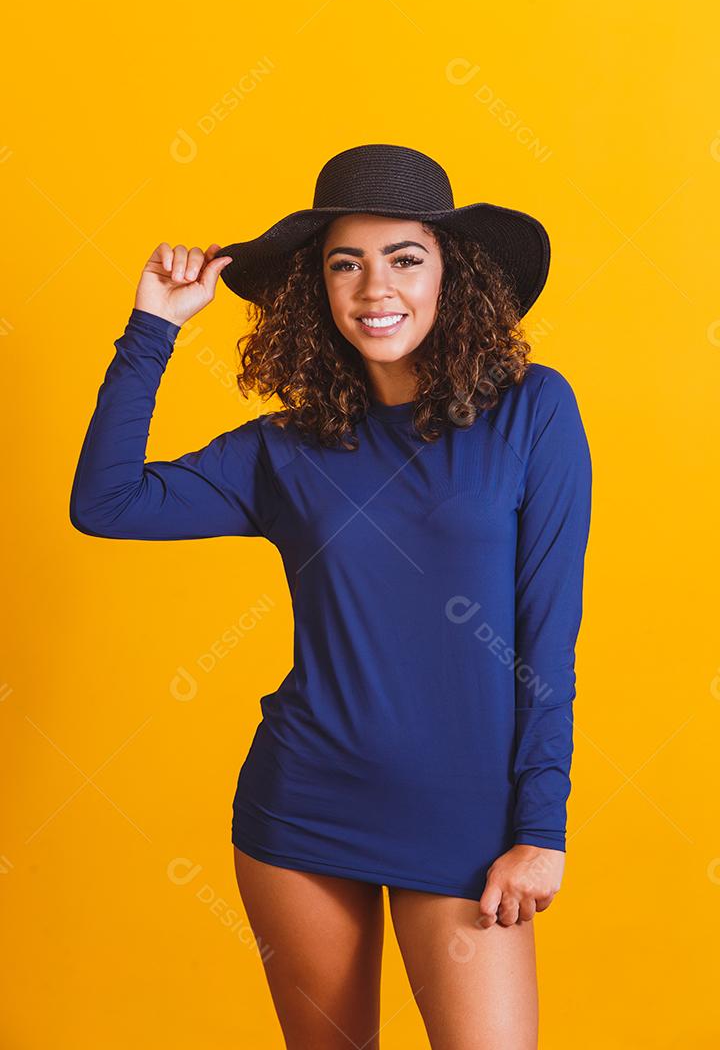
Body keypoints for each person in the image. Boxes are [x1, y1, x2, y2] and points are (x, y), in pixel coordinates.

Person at [69, 144, 592, 1049]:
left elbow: (548, 632)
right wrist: (152, 326)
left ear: (451, 276)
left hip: (468, 828)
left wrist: (541, 826)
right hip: (304, 809)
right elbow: (106, 504)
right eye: (344, 263)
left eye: (404, 258)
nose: (373, 287)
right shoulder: (286, 447)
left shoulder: (533, 412)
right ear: (318, 288)